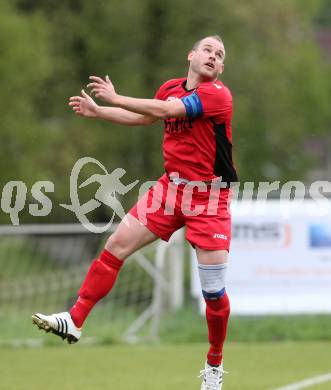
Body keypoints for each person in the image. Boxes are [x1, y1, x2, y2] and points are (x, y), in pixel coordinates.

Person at [32, 35, 238, 390]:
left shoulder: (218, 95)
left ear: (220, 68)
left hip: (210, 199)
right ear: (191, 55)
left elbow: (165, 111)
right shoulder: (170, 86)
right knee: (116, 246)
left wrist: (114, 96)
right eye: (208, 50)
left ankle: (214, 365)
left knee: (213, 292)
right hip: (170, 189)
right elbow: (142, 117)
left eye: (219, 55)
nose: (213, 56)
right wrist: (100, 111)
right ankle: (75, 319)